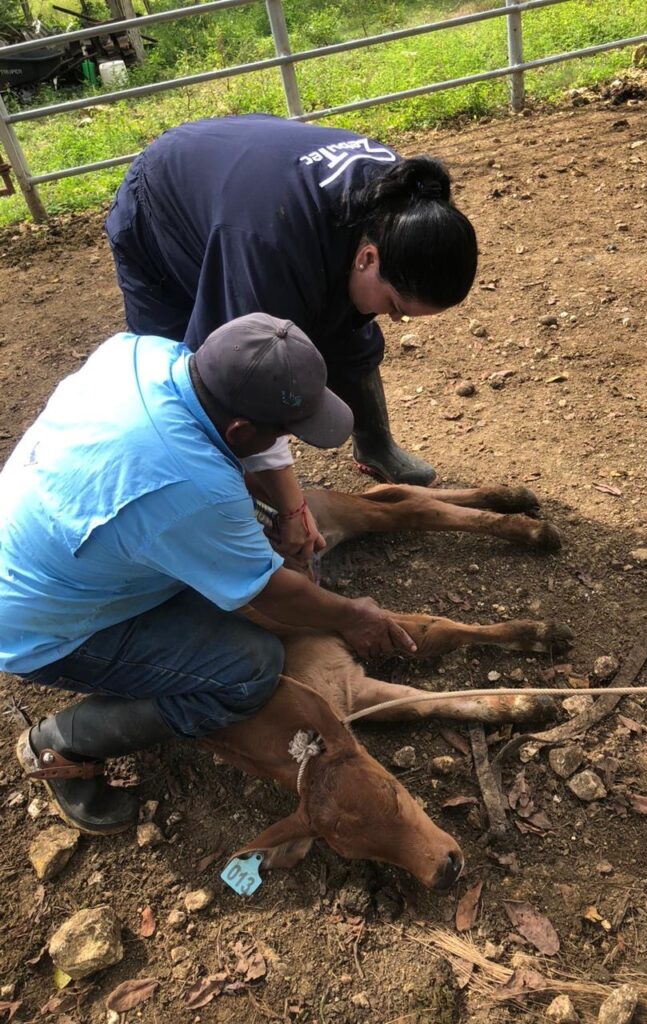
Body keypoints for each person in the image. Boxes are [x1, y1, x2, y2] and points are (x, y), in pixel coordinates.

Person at [0, 313, 416, 837]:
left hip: (41, 552)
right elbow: (271, 594)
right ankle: (60, 744)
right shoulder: (191, 488)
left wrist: (289, 509)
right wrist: (352, 615)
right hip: (41, 630)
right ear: (239, 430)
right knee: (248, 668)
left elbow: (233, 465)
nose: (288, 442)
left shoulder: (142, 355)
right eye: (285, 432)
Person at [105, 113, 478, 500]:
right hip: (162, 201)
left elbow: (351, 324)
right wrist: (288, 504)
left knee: (347, 324)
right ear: (367, 258)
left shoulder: (408, 196)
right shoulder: (273, 251)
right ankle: (208, 487)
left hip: (245, 192)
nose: (396, 319)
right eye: (395, 305)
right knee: (187, 371)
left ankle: (374, 442)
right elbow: (248, 377)